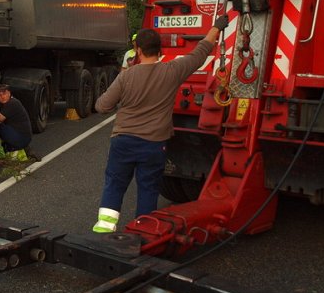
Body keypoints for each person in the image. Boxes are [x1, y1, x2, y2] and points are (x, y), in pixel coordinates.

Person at [92, 15, 229, 233]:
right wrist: (216, 27)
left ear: (138, 50)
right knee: (148, 189)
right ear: (160, 49)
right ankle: (144, 233)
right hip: (153, 144)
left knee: (115, 183)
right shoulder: (172, 71)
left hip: (123, 141)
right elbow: (200, 53)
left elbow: (102, 106)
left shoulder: (126, 76)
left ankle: (104, 228)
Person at [0, 83, 33, 158]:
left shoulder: (12, 103)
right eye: (0, 95)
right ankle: (10, 147)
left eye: (4, 94)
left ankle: (14, 146)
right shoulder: (1, 104)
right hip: (18, 135)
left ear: (9, 93)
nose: (2, 97)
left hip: (22, 138)